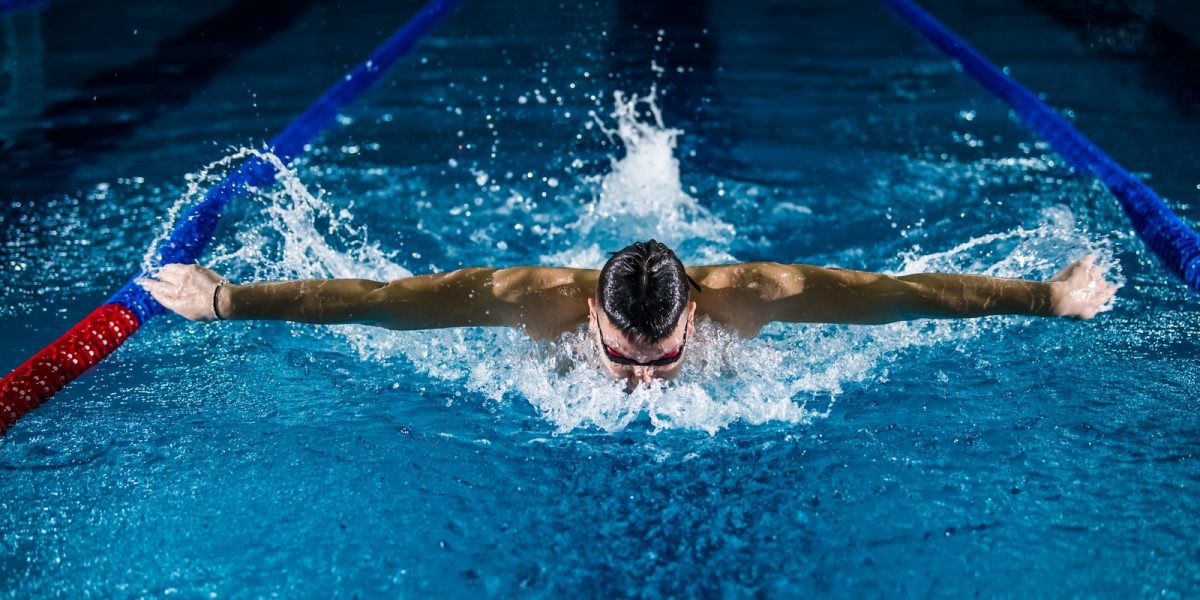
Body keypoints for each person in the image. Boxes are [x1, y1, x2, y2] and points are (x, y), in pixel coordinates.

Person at [138, 240, 1117, 389]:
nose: (640, 381)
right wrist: (226, 299)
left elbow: (907, 295)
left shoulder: (758, 295)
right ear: (591, 316)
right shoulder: (531, 302)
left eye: (661, 359)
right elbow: (384, 305)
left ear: (697, 308)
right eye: (621, 356)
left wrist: (1047, 297)